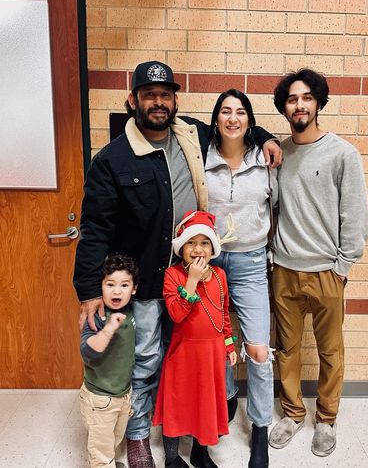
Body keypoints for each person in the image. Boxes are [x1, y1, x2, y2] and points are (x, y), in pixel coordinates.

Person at [73, 60, 281, 468]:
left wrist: (267, 136)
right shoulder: (112, 159)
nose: (158, 102)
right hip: (148, 278)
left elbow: (235, 127)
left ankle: (190, 435)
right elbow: (94, 227)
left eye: (165, 94)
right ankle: (137, 438)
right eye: (149, 95)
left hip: (196, 272)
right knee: (148, 357)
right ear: (132, 100)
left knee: (187, 354)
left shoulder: (191, 134)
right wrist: (86, 290)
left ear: (174, 100)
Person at [268, 69, 368, 457]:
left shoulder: (343, 153)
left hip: (328, 271)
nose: (299, 105)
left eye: (307, 97)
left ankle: (326, 420)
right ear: (284, 107)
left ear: (319, 103)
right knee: (287, 349)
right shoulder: (277, 153)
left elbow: (355, 215)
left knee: (331, 352)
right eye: (293, 99)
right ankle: (292, 413)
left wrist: (342, 266)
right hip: (285, 271)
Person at [205, 89, 277, 468]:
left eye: (241, 112)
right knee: (214, 343)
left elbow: (277, 208)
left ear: (250, 121)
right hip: (210, 264)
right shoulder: (201, 157)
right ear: (215, 119)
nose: (233, 118)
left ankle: (260, 428)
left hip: (250, 262)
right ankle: (229, 394)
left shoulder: (264, 160)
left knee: (259, 351)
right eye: (225, 112)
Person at [153, 210, 236, 468]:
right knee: (176, 405)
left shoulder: (220, 276)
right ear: (181, 248)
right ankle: (171, 458)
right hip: (183, 354)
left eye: (204, 243)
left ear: (212, 249)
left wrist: (229, 343)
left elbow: (223, 314)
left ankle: (201, 452)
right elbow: (177, 314)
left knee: (205, 403)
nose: (197, 249)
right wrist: (192, 280)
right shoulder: (173, 275)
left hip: (211, 355)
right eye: (191, 242)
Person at [79, 254, 138, 468]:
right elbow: (87, 351)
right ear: (100, 287)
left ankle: (109, 460)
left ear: (133, 289)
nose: (116, 290)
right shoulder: (97, 316)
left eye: (124, 285)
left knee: (113, 439)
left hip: (122, 393)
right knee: (100, 450)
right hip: (100, 398)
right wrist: (109, 328)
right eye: (110, 284)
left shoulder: (130, 310)